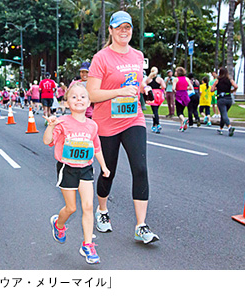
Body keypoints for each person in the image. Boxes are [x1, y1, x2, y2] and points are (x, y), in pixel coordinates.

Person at [86, 10, 159, 244]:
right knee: (109, 172)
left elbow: (136, 84)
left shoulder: (137, 56)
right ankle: (102, 210)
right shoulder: (101, 58)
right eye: (119, 28)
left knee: (140, 168)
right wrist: (119, 91)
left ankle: (141, 225)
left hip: (132, 119)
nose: (124, 31)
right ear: (111, 30)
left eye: (127, 27)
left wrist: (143, 90)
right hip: (106, 124)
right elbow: (92, 94)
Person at [43, 83, 110, 264]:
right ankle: (59, 224)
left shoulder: (92, 126)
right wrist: (50, 126)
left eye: (83, 96)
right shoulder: (62, 122)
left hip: (86, 168)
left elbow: (96, 147)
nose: (78, 99)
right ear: (66, 103)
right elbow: (47, 141)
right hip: (68, 168)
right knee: (71, 208)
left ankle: (87, 244)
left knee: (88, 206)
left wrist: (104, 166)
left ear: (89, 102)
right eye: (74, 97)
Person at [211, 67, 238, 136]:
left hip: (221, 99)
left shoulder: (217, 80)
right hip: (229, 98)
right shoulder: (230, 80)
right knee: (224, 113)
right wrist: (232, 90)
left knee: (224, 114)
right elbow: (236, 86)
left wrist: (216, 88)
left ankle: (229, 127)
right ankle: (221, 128)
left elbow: (212, 89)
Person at [145, 66, 166, 133]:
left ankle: (157, 124)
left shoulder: (148, 79)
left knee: (154, 111)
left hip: (152, 94)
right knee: (156, 110)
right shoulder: (159, 79)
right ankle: (154, 124)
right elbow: (164, 86)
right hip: (158, 94)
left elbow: (144, 85)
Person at [172, 67, 194, 132]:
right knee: (182, 110)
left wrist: (176, 91)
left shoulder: (176, 79)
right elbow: (191, 87)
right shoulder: (186, 78)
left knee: (179, 112)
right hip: (185, 95)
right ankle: (182, 126)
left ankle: (184, 120)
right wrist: (185, 88)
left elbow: (173, 88)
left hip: (179, 95)